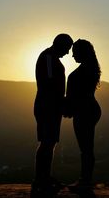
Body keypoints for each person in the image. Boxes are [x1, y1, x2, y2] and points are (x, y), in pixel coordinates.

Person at [31, 33, 73, 197]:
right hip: (47, 107)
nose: (68, 53)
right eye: (67, 48)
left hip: (51, 107)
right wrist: (62, 104)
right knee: (47, 142)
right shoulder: (48, 58)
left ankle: (44, 177)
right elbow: (49, 85)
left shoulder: (51, 58)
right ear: (60, 44)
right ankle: (41, 179)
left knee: (49, 142)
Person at [64, 39, 102, 196]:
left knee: (85, 148)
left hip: (84, 112)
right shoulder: (91, 68)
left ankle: (85, 181)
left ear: (81, 52)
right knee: (87, 148)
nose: (72, 55)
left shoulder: (82, 71)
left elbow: (75, 97)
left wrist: (66, 108)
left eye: (75, 52)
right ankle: (85, 180)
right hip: (91, 109)